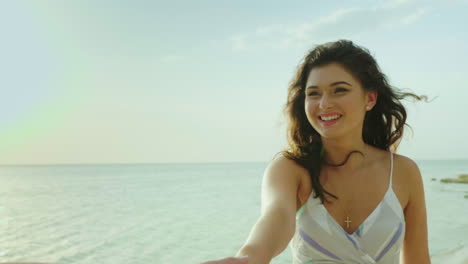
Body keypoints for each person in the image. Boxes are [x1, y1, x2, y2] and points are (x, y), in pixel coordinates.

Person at [199, 40, 431, 264]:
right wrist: (249, 258)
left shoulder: (402, 172)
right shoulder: (290, 168)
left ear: (369, 98)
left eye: (339, 90)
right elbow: (276, 217)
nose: (324, 104)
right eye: (313, 93)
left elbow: (418, 259)